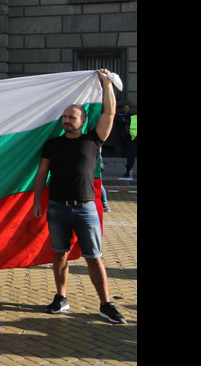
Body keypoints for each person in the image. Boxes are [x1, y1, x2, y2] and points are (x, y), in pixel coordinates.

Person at [31, 69, 126, 324]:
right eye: (64, 117)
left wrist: (106, 84)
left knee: (94, 257)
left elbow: (109, 113)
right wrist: (36, 201)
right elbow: (41, 174)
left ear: (82, 120)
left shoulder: (93, 140)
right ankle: (61, 297)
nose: (67, 120)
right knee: (59, 253)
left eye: (72, 117)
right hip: (57, 207)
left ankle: (106, 304)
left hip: (86, 208)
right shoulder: (52, 144)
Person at [124, 112, 137, 178]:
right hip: (133, 140)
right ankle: (128, 171)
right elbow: (127, 128)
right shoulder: (132, 118)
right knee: (131, 156)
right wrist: (131, 135)